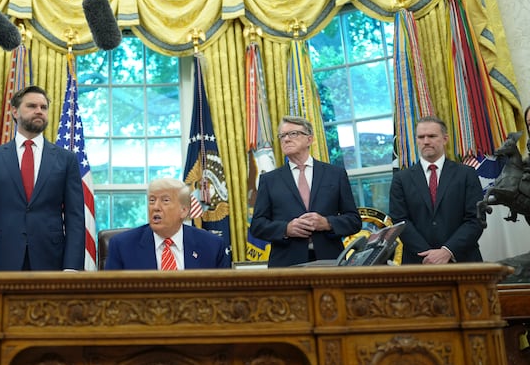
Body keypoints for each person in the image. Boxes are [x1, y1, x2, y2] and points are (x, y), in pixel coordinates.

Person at [0, 85, 85, 271]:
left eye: (43, 107)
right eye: (31, 106)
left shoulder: (66, 159)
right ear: (15, 111)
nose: (39, 111)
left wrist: (72, 267)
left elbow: (75, 217)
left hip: (51, 259)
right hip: (0, 258)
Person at [249, 115, 362, 267]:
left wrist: (327, 223)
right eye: (282, 135)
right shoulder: (269, 180)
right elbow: (257, 225)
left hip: (330, 262)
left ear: (309, 139)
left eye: (293, 134)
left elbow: (354, 221)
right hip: (287, 265)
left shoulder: (335, 174)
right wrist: (286, 229)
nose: (286, 139)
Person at [388, 115, 483, 264]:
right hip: (418, 263)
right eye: (421, 137)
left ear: (445, 139)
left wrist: (447, 251)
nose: (426, 141)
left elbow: (475, 219)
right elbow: (400, 221)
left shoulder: (466, 174)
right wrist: (428, 256)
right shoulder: (401, 179)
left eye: (432, 136)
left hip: (463, 261)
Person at [104, 178, 230, 270]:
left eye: (165, 200)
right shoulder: (123, 246)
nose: (156, 207)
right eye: (152, 200)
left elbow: (222, 299)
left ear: (184, 210)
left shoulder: (212, 246)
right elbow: (110, 300)